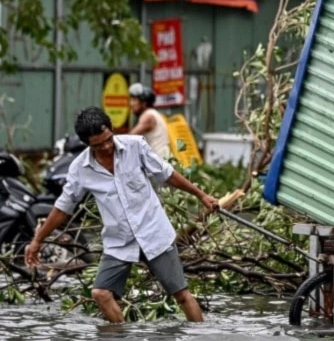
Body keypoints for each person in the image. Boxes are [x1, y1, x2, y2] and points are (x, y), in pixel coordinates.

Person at [26, 106, 219, 323]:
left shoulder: (135, 146)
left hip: (154, 233)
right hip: (119, 241)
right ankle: (122, 340)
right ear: (87, 145)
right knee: (101, 293)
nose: (107, 147)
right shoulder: (80, 168)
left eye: (108, 139)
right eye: (98, 145)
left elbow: (167, 174)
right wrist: (37, 241)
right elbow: (63, 208)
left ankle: (200, 339)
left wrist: (202, 196)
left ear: (111, 129)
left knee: (181, 295)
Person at [129, 83, 171, 158]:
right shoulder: (153, 113)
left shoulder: (148, 116)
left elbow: (130, 137)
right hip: (159, 160)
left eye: (134, 100)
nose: (131, 104)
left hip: (158, 161)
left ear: (144, 103)